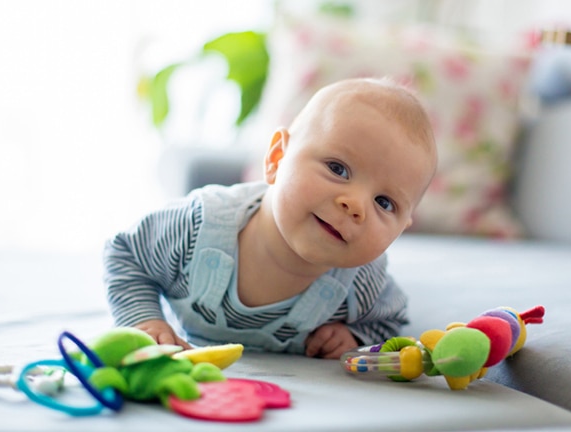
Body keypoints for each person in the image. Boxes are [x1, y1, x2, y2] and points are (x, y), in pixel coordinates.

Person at [103, 77, 438, 359]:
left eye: (384, 202)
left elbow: (391, 319)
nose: (356, 205)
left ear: (402, 227)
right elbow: (126, 254)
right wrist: (144, 320)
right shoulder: (197, 226)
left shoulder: (362, 283)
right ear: (278, 157)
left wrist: (353, 335)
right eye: (338, 168)